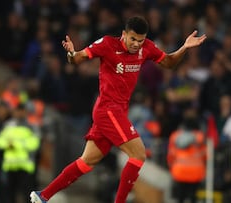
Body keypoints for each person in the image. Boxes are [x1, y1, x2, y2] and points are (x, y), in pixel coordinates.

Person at [30, 15, 206, 203]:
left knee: (87, 161)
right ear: (124, 34)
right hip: (108, 109)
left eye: (140, 40)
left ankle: (43, 196)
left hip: (118, 111)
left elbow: (169, 63)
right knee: (139, 153)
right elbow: (78, 59)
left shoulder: (146, 47)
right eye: (133, 39)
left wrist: (184, 48)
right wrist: (72, 54)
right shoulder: (107, 44)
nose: (137, 44)